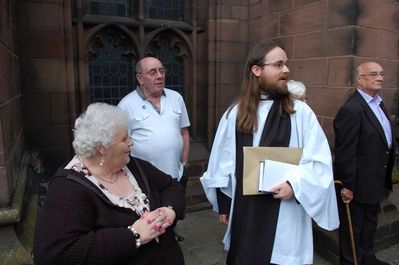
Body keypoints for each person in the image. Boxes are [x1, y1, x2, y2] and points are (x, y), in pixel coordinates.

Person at [200, 41, 339, 265]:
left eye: (286, 64)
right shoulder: (235, 113)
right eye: (278, 64)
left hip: (285, 212)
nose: (287, 70)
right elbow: (222, 162)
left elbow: (320, 162)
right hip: (245, 210)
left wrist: (294, 184)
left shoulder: (300, 113)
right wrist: (224, 204)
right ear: (257, 70)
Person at [33, 103, 185, 265]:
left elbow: (170, 186)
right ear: (102, 148)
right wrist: (133, 235)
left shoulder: (131, 165)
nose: (131, 142)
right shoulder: (67, 188)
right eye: (124, 138)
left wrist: (170, 210)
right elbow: (56, 254)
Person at [334, 62, 395, 265]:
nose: (380, 77)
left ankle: (368, 259)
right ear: (360, 79)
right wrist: (347, 185)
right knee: (354, 229)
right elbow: (345, 152)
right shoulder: (351, 109)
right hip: (357, 184)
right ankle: (351, 262)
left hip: (375, 180)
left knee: (370, 225)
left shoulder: (378, 103)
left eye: (381, 74)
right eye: (373, 74)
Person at [118, 56, 190, 188]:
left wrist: (184, 164)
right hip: (146, 181)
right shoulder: (126, 105)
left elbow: (184, 132)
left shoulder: (176, 98)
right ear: (140, 79)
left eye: (162, 71)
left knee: (176, 208)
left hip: (177, 176)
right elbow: (120, 144)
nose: (159, 76)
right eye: (153, 72)